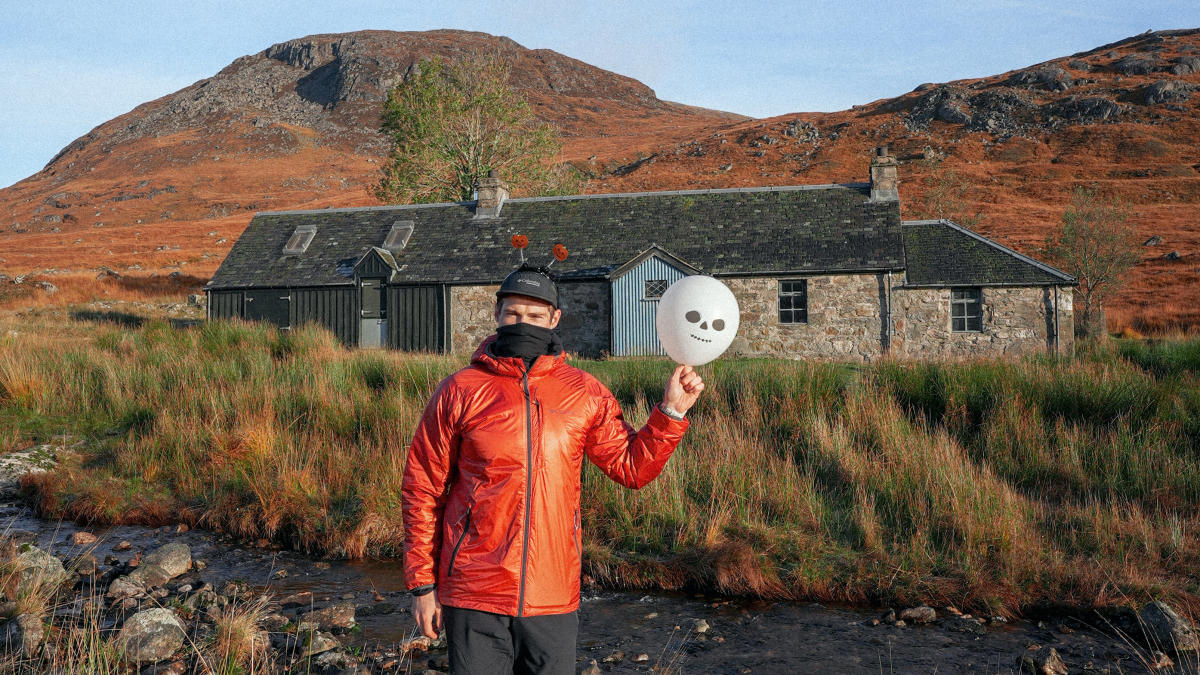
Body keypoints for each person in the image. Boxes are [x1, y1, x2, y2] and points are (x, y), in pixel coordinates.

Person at [402, 264, 704, 674]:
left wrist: (671, 412)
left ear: (555, 319)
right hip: (473, 592)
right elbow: (423, 488)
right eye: (513, 313)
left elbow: (631, 468)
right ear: (497, 315)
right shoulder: (460, 389)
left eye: (535, 315)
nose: (522, 322)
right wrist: (422, 586)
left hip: (552, 594)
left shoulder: (585, 393)